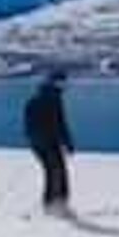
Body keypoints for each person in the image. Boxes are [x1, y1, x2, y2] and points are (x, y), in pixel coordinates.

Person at [24, 69, 75, 214]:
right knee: (56, 171)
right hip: (47, 142)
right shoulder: (53, 98)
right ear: (55, 83)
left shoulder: (39, 96)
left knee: (53, 171)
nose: (65, 86)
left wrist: (33, 140)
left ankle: (54, 203)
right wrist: (67, 143)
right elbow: (59, 123)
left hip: (38, 142)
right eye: (62, 83)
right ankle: (55, 204)